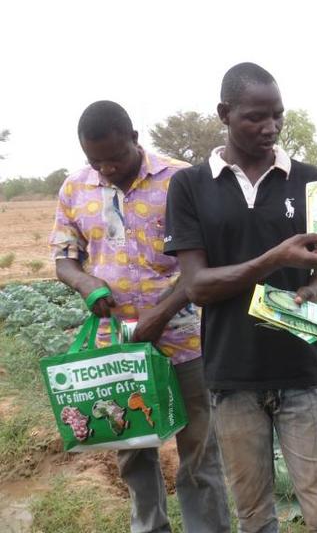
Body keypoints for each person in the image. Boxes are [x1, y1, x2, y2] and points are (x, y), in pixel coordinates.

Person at [163, 62, 317, 533]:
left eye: (278, 116)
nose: (270, 128)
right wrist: (273, 260)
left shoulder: (310, 180)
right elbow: (197, 285)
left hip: (300, 372)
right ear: (224, 113)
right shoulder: (189, 185)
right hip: (231, 378)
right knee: (253, 515)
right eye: (255, 117)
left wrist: (309, 289)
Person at [51, 100, 230, 533]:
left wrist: (159, 316)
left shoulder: (182, 179)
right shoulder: (75, 188)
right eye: (96, 161)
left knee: (199, 449)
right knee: (131, 444)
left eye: (115, 157)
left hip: (187, 338)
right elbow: (64, 258)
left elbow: (204, 263)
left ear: (135, 138)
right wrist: (85, 284)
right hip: (119, 345)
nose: (107, 168)